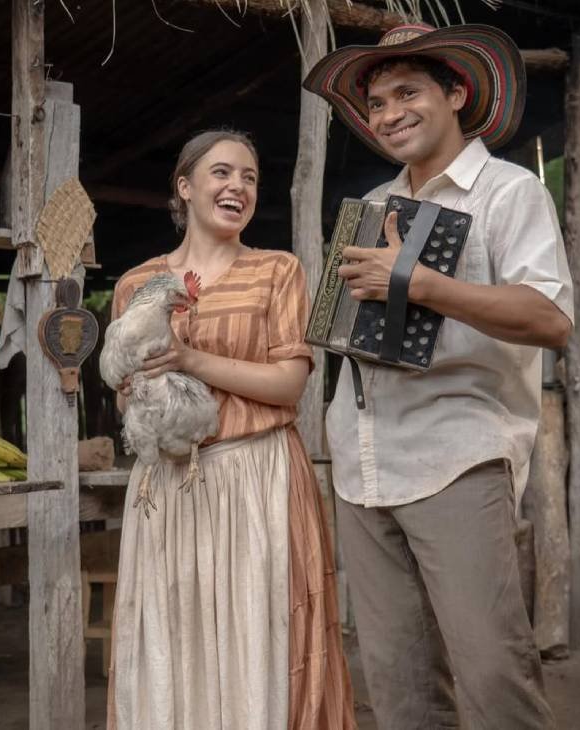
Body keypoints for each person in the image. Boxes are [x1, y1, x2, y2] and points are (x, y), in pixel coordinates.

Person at [302, 23, 574, 730]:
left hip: (455, 457)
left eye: (407, 92)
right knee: (401, 688)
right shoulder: (372, 210)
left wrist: (421, 283)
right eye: (377, 104)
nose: (389, 114)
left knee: (494, 679)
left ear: (456, 92)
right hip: (362, 466)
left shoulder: (506, 195)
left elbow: (550, 319)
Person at [105, 129, 356, 730]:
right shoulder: (134, 285)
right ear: (185, 187)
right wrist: (151, 406)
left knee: (258, 630)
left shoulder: (277, 270)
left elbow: (290, 384)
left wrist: (191, 362)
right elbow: (124, 399)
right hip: (169, 482)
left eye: (248, 177)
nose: (237, 186)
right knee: (173, 631)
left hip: (257, 473)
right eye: (221, 173)